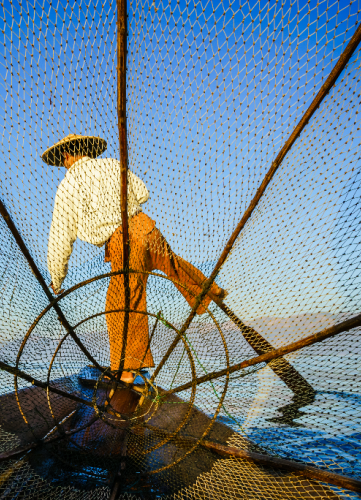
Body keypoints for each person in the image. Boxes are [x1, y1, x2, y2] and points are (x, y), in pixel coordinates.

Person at [43, 134, 226, 384]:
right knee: (171, 264)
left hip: (123, 241)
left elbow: (60, 238)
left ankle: (128, 372)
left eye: (61, 159)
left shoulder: (68, 186)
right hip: (146, 227)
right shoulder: (110, 165)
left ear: (66, 155)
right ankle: (209, 290)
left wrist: (57, 277)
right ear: (88, 150)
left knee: (122, 303)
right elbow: (142, 193)